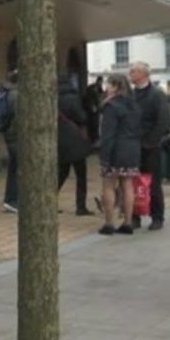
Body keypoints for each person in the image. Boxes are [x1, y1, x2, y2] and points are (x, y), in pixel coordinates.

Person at [97, 74, 141, 235]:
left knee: (108, 185)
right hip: (132, 149)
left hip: (116, 150)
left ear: (115, 87)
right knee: (127, 185)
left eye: (108, 85)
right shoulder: (134, 105)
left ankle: (109, 223)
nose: (106, 88)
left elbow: (108, 134)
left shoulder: (111, 106)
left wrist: (105, 157)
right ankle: (128, 222)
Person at [128, 61, 169, 231]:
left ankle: (157, 216)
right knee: (132, 182)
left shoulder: (157, 95)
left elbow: (163, 121)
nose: (130, 73)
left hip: (150, 147)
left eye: (134, 71)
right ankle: (134, 216)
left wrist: (151, 142)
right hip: (132, 145)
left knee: (153, 183)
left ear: (144, 74)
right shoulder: (129, 95)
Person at [57, 76, 93, 216]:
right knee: (81, 175)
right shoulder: (72, 98)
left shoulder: (52, 98)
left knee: (61, 174)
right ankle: (80, 206)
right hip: (75, 141)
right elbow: (81, 117)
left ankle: (50, 202)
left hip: (59, 140)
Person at [0, 71, 19, 214]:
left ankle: (9, 200)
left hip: (11, 136)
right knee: (18, 169)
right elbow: (19, 117)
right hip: (16, 136)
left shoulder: (10, 93)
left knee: (14, 168)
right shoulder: (16, 95)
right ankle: (13, 200)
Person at [84, 76, 104, 144]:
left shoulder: (97, 87)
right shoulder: (94, 88)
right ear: (98, 81)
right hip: (93, 109)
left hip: (93, 109)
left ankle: (93, 139)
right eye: (101, 81)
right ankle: (93, 139)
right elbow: (92, 98)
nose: (101, 83)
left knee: (94, 125)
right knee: (93, 124)